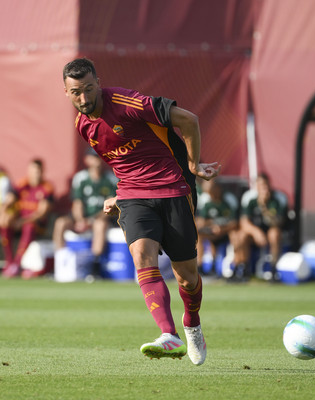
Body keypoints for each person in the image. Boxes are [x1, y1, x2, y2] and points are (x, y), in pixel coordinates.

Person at [63, 57, 219, 365]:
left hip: (173, 188)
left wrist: (193, 164)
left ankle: (192, 323)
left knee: (187, 277)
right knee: (142, 257)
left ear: (98, 84)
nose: (83, 98)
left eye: (89, 89)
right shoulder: (83, 126)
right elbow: (123, 162)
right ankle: (169, 335)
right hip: (134, 197)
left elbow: (189, 120)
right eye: (76, 92)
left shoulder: (126, 102)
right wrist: (120, 196)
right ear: (66, 92)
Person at [52, 148, 117, 276]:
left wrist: (91, 221)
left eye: (99, 157)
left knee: (100, 224)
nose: (97, 160)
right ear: (87, 160)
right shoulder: (81, 178)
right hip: (82, 217)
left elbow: (111, 206)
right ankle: (60, 263)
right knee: (60, 223)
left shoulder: (110, 179)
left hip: (100, 218)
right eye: (95, 157)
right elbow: (77, 203)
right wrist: (80, 220)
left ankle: (94, 266)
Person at [0, 159, 54, 278]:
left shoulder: (46, 188)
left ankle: (17, 264)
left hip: (36, 225)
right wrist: (1, 213)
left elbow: (41, 213)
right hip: (19, 221)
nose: (36, 174)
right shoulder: (22, 185)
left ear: (42, 171)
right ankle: (9, 261)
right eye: (33, 170)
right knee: (5, 223)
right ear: (29, 171)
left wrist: (22, 221)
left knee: (29, 227)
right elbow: (9, 199)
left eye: (38, 171)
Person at [236, 173, 288, 281]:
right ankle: (244, 269)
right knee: (241, 235)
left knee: (274, 234)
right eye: (261, 185)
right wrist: (256, 232)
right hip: (255, 233)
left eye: (265, 185)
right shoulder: (249, 198)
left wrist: (264, 206)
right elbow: (244, 222)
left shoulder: (278, 199)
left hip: (270, 231)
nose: (264, 188)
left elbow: (277, 223)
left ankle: (273, 269)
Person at [196, 179, 239, 276]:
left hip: (227, 231)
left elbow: (235, 223)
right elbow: (202, 221)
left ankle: (236, 266)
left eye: (211, 192)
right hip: (213, 231)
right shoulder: (206, 200)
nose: (210, 196)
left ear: (218, 189)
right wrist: (211, 225)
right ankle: (200, 266)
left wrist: (222, 229)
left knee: (235, 235)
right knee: (198, 234)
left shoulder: (229, 200)